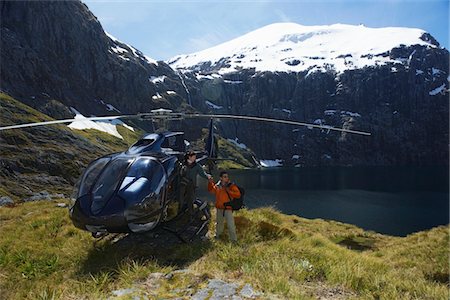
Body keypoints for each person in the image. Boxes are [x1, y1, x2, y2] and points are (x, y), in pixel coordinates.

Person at [208, 171, 241, 243]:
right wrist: (210, 183)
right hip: (219, 208)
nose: (227, 178)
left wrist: (229, 191)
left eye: (227, 176)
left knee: (230, 225)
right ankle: (217, 237)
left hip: (228, 208)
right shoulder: (217, 186)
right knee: (219, 224)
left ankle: (234, 240)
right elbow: (211, 190)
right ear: (221, 178)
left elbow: (238, 194)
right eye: (225, 177)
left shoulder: (231, 185)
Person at [179, 150, 212, 218]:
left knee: (190, 199)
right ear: (189, 157)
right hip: (182, 184)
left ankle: (191, 213)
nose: (195, 158)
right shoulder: (183, 164)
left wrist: (208, 177)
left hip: (191, 185)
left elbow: (202, 173)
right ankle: (180, 210)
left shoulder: (196, 166)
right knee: (181, 196)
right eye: (193, 157)